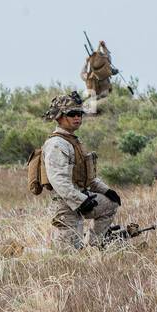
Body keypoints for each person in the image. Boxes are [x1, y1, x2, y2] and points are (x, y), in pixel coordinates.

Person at [36, 91, 122, 248]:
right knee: (68, 256)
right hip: (64, 205)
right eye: (72, 114)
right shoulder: (57, 144)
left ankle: (95, 245)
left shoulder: (73, 141)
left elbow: (87, 177)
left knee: (110, 204)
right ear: (60, 117)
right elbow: (59, 181)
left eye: (80, 114)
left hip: (81, 198)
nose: (78, 117)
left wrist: (107, 191)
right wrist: (81, 201)